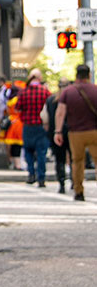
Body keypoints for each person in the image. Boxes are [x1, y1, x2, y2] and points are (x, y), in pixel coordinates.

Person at [55, 64, 97, 201]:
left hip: (75, 133)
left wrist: (58, 131)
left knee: (77, 162)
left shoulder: (68, 92)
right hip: (94, 131)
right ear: (89, 75)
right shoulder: (95, 90)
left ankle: (79, 191)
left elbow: (60, 112)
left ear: (76, 75)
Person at [15, 68, 50, 186]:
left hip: (28, 125)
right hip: (41, 126)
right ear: (39, 78)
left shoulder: (24, 92)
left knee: (28, 151)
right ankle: (41, 178)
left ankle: (31, 173)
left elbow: (17, 107)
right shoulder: (45, 92)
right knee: (41, 153)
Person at [46, 77, 71, 194]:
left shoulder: (51, 100)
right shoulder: (72, 99)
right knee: (74, 158)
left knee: (59, 159)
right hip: (71, 131)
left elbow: (44, 118)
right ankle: (74, 181)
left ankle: (61, 183)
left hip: (55, 132)